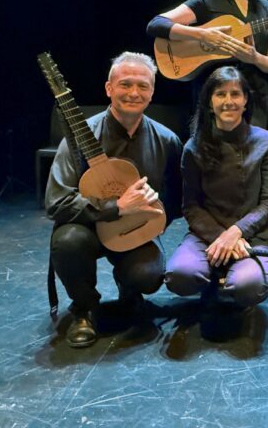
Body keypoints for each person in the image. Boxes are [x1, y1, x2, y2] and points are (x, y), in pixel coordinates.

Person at [46, 52, 183, 348]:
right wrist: (116, 207)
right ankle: (84, 309)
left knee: (149, 274)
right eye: (125, 84)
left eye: (143, 86)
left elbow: (175, 200)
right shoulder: (80, 137)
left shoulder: (167, 140)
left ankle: (129, 289)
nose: (134, 93)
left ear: (152, 92)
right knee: (68, 242)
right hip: (86, 229)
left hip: (135, 230)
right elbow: (56, 201)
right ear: (109, 89)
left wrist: (149, 219)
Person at [165, 66, 268, 308]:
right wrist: (222, 238)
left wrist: (236, 232)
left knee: (248, 287)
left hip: (251, 238)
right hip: (207, 236)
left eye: (235, 94)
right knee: (180, 277)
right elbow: (191, 206)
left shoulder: (265, 141)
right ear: (209, 102)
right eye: (220, 94)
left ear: (246, 100)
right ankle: (214, 273)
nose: (229, 101)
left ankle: (227, 274)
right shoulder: (193, 147)